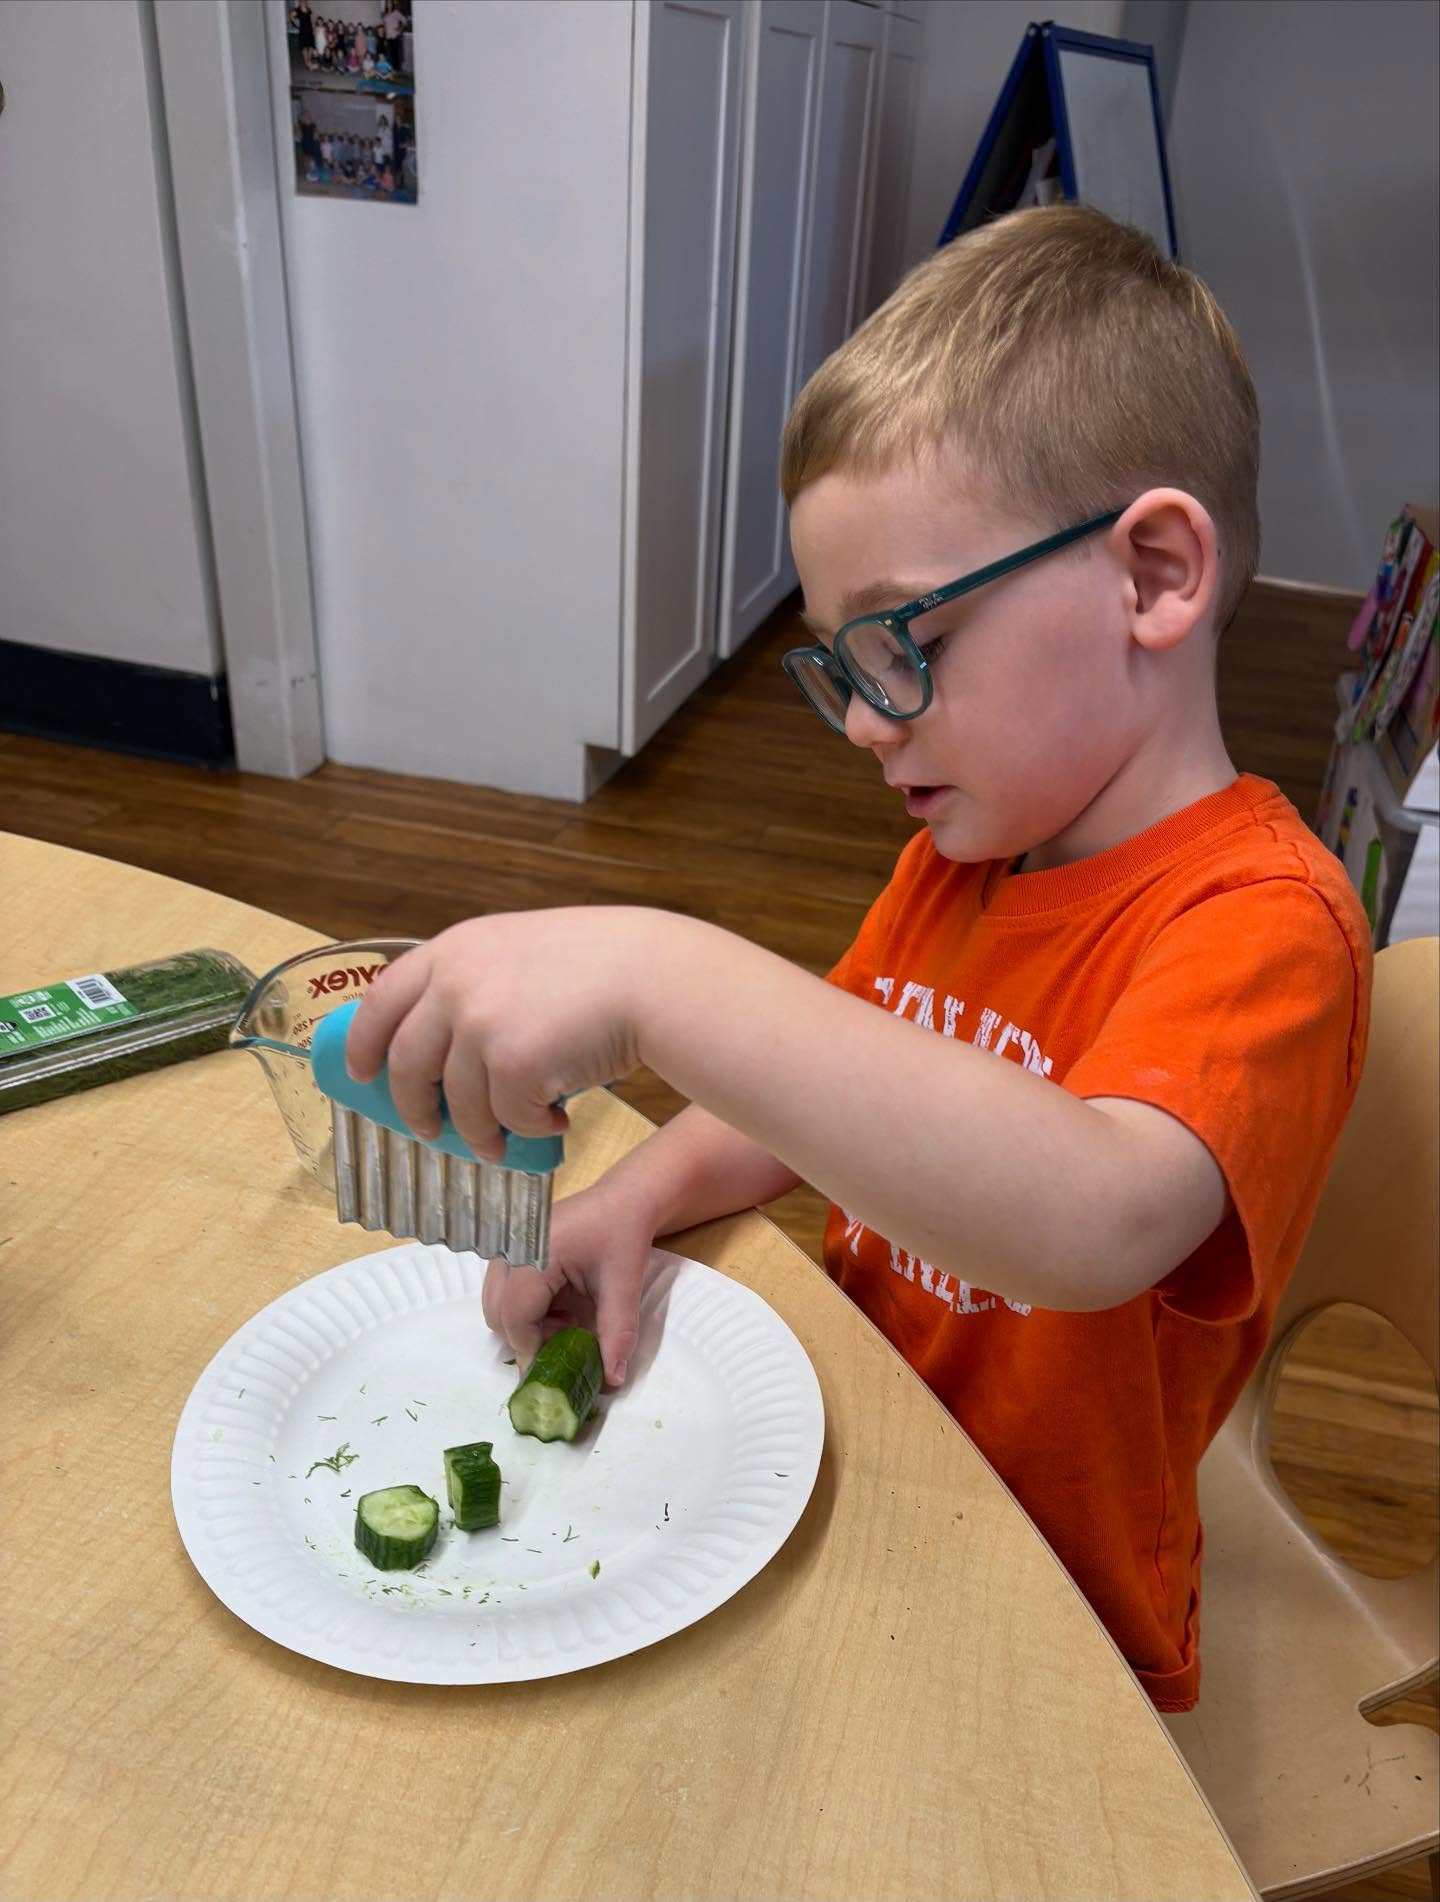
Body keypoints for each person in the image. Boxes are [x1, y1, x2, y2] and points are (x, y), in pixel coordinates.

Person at [343, 205, 1371, 1713]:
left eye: (901, 643)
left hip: (1049, 1629)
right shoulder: (970, 855)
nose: (869, 723)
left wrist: (660, 967)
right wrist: (641, 1193)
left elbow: (1088, 1217)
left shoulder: (1268, 927)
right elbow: (821, 1077)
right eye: (836, 667)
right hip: (855, 1474)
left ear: (1153, 573)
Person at [383, 3, 406, 73]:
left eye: (390, 4)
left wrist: (399, 28)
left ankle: (398, 70)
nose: (388, 5)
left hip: (395, 36)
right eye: (387, 4)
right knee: (391, 54)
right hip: (388, 37)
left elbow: (404, 20)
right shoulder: (385, 14)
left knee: (397, 54)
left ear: (392, 4)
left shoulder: (396, 12)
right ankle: (393, 70)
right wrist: (385, 37)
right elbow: (385, 26)